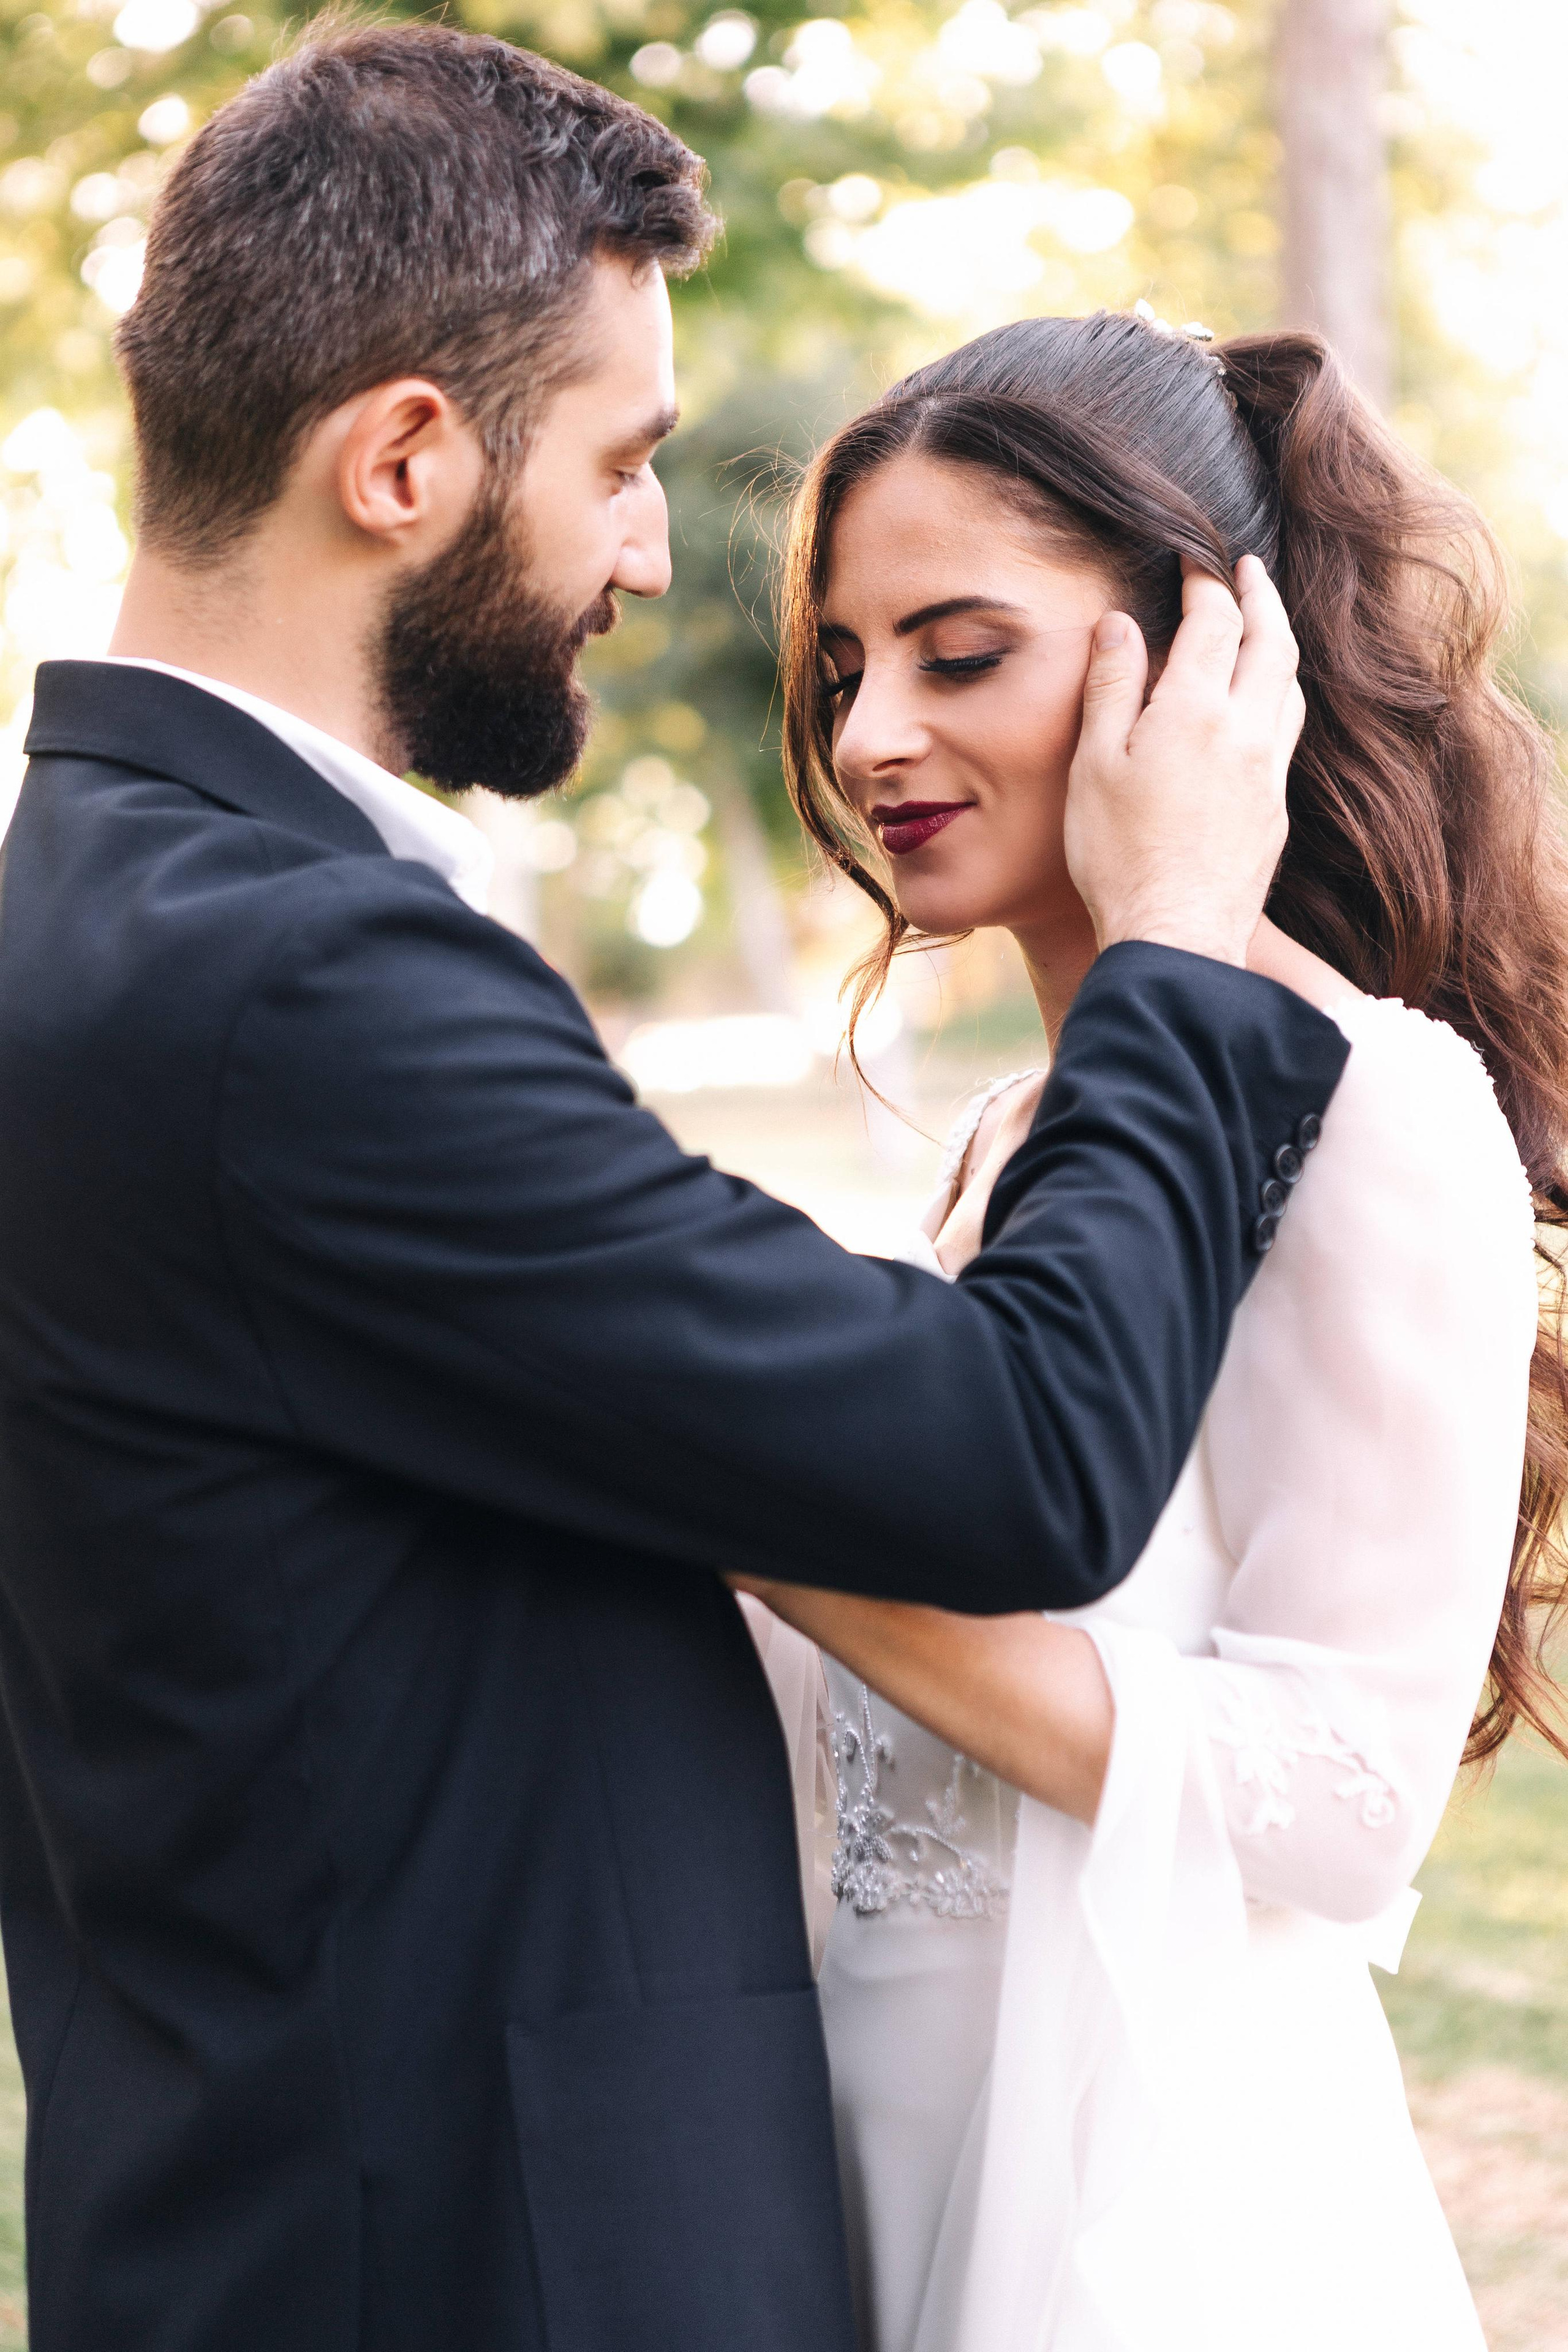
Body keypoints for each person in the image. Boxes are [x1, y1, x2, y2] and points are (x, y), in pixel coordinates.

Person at [0, 31, 1348, 2352]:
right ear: (406, 457)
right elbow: (1018, 1458)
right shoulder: (300, 977)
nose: (650, 549)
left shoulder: (88, 907)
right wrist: (1176, 950)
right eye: (623, 464)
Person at [739, 309, 1566, 2352]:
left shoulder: (1373, 1108)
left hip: (1144, 2207)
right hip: (881, 2143)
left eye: (960, 650)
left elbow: (1346, 1796)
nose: (867, 743)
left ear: (1202, 661)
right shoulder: (1017, 1137)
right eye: (847, 669)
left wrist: (762, 1519)